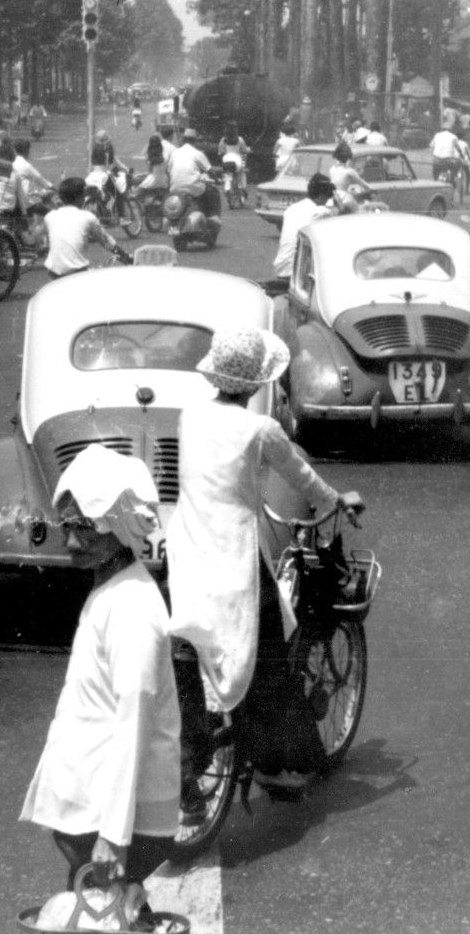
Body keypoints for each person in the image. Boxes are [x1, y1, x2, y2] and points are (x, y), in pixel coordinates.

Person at [167, 328, 364, 795]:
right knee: (268, 654)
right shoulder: (260, 429)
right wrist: (337, 501)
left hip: (188, 549)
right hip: (232, 554)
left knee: (204, 643)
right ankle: (277, 762)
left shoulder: (190, 415)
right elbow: (301, 476)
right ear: (256, 382)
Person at [19, 444, 179, 890]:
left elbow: (135, 721)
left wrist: (114, 834)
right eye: (69, 527)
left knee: (103, 906)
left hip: (111, 819)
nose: (72, 542)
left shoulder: (131, 608)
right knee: (108, 907)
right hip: (93, 803)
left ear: (120, 528)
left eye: (87, 530)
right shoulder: (111, 590)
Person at [43, 176, 131, 279]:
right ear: (80, 197)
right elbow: (107, 242)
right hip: (76, 271)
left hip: (53, 271)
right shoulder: (87, 217)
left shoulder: (50, 216)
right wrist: (125, 257)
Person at [272, 172, 336, 280]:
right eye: (327, 198)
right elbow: (341, 210)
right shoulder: (319, 212)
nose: (327, 202)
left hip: (282, 268)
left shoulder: (291, 209)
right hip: (297, 274)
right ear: (322, 196)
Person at [430, 120, 470, 194]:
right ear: (451, 129)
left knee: (435, 169)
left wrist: (434, 153)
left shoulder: (437, 135)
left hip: (436, 160)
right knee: (458, 163)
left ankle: (435, 181)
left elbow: (432, 146)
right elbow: (458, 149)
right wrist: (461, 155)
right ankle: (452, 179)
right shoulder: (453, 137)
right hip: (448, 161)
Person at [329, 141, 370, 212]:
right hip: (344, 197)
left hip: (332, 196)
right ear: (347, 158)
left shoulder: (332, 169)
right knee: (358, 211)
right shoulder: (349, 171)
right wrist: (369, 188)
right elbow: (361, 183)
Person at [217, 123, 250, 194]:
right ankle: (243, 188)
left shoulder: (223, 140)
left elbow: (220, 153)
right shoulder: (240, 140)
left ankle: (227, 188)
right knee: (242, 172)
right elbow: (244, 152)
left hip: (226, 160)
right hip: (237, 160)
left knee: (227, 173)